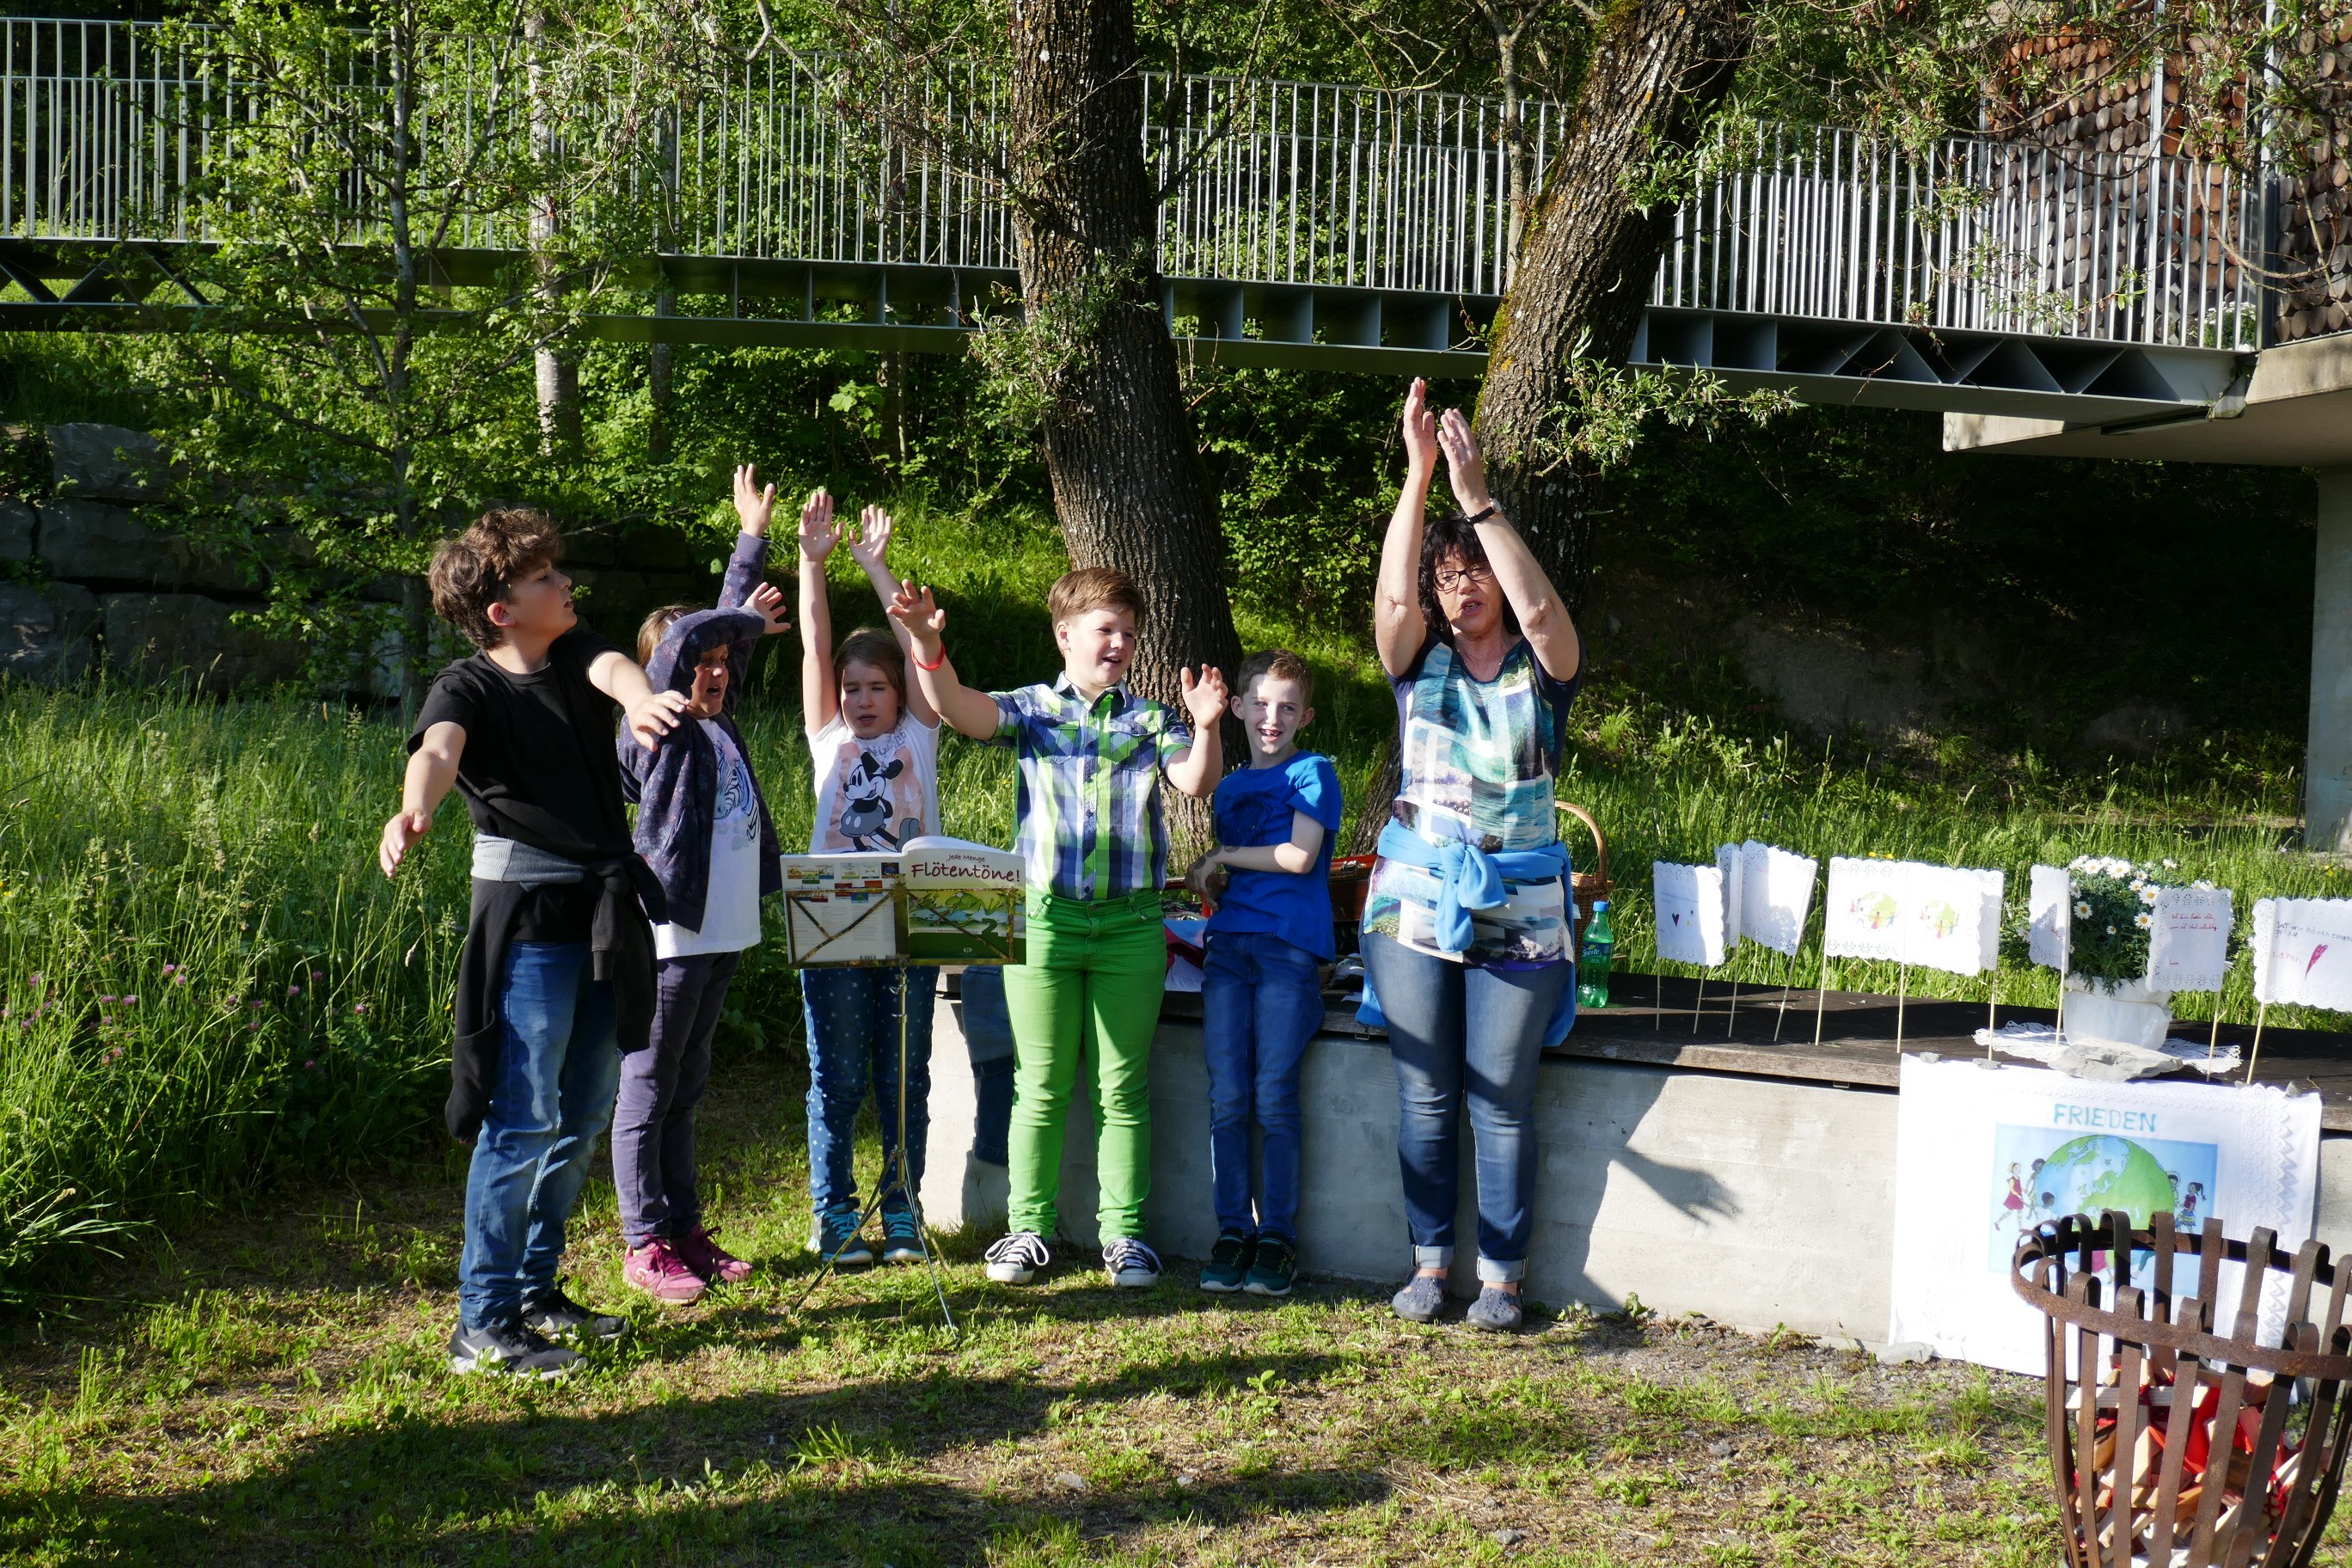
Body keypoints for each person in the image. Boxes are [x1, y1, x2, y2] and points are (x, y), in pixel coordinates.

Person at [379, 507, 690, 1378]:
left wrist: (642, 700)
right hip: (528, 927)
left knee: (583, 1112)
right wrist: (415, 808)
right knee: (521, 1122)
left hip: (602, 915)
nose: (565, 584)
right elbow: (438, 751)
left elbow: (616, 669)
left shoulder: (575, 650)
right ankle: (481, 1323)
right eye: (545, 578)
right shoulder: (465, 687)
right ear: (501, 610)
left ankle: (533, 1290)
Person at [891, 567, 1226, 1289]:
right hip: (1043, 923)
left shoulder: (1152, 720)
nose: (1119, 644)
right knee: (1039, 1085)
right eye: (1106, 629)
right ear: (1065, 634)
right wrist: (925, 643)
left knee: (1122, 1088)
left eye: (1129, 633)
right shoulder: (1032, 709)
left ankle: (1125, 1237)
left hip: (1131, 928)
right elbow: (957, 709)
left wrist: (1205, 725)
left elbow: (1196, 780)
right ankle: (1027, 1231)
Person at [1363, 377, 1583, 1333]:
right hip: (1415, 894)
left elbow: (1544, 615)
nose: (1462, 585)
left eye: (1475, 571)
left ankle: (1501, 1278)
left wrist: (1477, 501)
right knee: (1425, 1094)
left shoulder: (1545, 668)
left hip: (1523, 899)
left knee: (1501, 1098)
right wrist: (1417, 477)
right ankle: (1428, 1264)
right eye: (1447, 574)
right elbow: (1391, 601)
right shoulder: (1417, 661)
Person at [609, 463, 793, 1305]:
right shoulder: (659, 727)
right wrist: (746, 550)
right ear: (664, 671)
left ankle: (684, 1231)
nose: (716, 671)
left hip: (723, 932)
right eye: (702, 662)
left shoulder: (718, 726)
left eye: (725, 661)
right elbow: (687, 640)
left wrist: (754, 549)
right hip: (672, 937)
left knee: (686, 1087)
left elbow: (719, 645)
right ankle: (643, 1241)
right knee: (649, 1088)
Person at [799, 487, 943, 1267]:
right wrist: (812, 566)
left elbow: (920, 651)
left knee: (903, 1077)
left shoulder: (920, 735)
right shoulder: (828, 736)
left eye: (876, 687)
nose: (860, 700)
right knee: (839, 1078)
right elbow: (814, 645)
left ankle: (901, 1213)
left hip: (911, 921)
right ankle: (834, 1214)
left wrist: (877, 568)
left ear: (899, 694)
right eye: (852, 688)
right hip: (832, 921)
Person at [1183, 649, 1342, 1298]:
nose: (1272, 718)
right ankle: (1232, 1232)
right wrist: (1211, 877)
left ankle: (1276, 1236)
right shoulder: (1229, 786)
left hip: (1286, 950)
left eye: (1287, 708)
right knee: (1227, 1096)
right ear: (1240, 708)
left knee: (1273, 1094)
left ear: (1305, 717)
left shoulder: (1312, 771)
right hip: (1228, 949)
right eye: (1261, 704)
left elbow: (1299, 857)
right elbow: (1241, 871)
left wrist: (1221, 854)